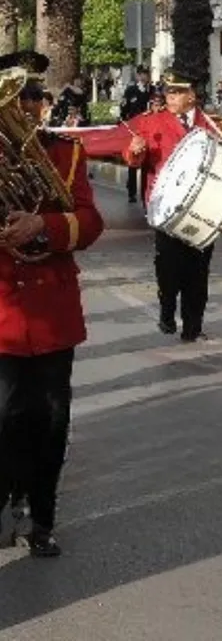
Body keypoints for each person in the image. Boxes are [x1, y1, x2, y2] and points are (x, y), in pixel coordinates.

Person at [0, 51, 104, 556]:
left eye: (35, 97)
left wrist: (44, 224)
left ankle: (43, 517)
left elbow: (91, 222)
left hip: (55, 313)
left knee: (51, 420)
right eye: (19, 98)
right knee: (4, 416)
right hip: (2, 312)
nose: (28, 106)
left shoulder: (66, 155)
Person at [124, 70, 218, 342]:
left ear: (192, 95)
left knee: (198, 271)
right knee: (169, 268)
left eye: (177, 92)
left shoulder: (211, 124)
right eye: (168, 91)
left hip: (202, 208)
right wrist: (136, 150)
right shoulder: (152, 122)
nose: (170, 96)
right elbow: (133, 159)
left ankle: (193, 325)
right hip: (166, 209)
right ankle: (167, 308)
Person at [120, 66, 155, 203]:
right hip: (134, 131)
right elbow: (123, 110)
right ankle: (132, 191)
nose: (145, 77)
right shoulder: (131, 91)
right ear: (138, 75)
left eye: (147, 74)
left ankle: (146, 192)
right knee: (133, 160)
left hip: (150, 130)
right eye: (142, 74)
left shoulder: (152, 91)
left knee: (147, 161)